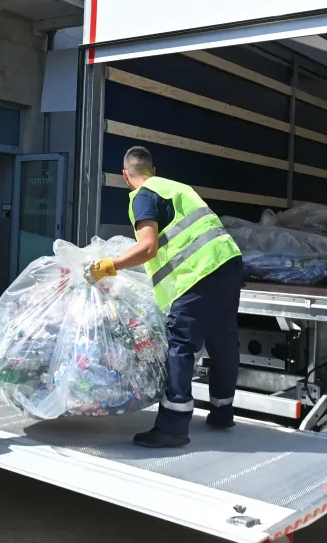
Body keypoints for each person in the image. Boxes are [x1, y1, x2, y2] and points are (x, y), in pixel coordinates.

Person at [85, 146, 244, 448]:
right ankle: (223, 412)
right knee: (222, 339)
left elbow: (148, 247)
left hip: (198, 272)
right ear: (153, 171)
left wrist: (107, 267)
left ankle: (173, 426)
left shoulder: (143, 196)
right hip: (228, 262)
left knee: (180, 345)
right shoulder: (176, 187)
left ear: (125, 176)